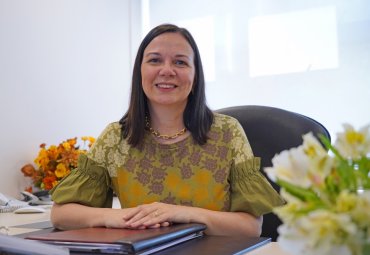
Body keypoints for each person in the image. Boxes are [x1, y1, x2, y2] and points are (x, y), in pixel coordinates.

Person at [50, 23, 284, 237]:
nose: (167, 70)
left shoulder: (227, 132)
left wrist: (180, 213)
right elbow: (60, 215)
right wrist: (114, 217)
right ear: (140, 71)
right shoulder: (115, 138)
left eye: (180, 62)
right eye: (154, 60)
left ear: (195, 75)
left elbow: (250, 228)